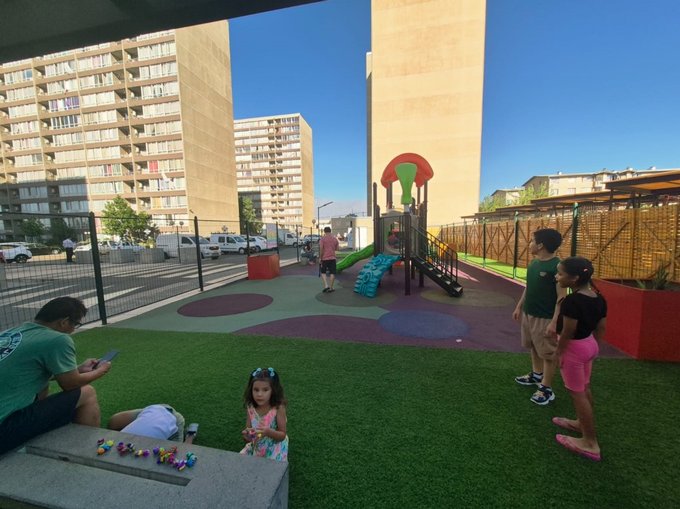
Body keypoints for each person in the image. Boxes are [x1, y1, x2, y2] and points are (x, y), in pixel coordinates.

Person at [0, 297, 110, 455]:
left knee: (43, 384)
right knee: (87, 393)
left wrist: (78, 369)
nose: (74, 330)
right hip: (4, 430)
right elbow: (70, 384)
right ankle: (86, 454)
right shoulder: (57, 339)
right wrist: (101, 370)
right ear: (64, 322)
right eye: (75, 324)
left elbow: (26, 372)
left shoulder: (10, 334)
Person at [553, 256, 606, 461]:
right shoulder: (598, 297)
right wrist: (595, 348)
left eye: (560, 274)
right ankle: (581, 423)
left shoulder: (571, 301)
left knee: (577, 393)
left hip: (574, 349)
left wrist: (559, 352)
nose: (557, 277)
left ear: (574, 278)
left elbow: (568, 331)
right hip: (589, 345)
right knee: (584, 387)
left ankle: (590, 443)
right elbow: (601, 328)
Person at [512, 228, 567, 405]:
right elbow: (528, 287)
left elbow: (561, 297)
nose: (530, 244)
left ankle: (546, 388)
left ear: (541, 245)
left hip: (545, 317)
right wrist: (519, 306)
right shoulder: (534, 264)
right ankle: (537, 374)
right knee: (534, 345)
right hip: (529, 313)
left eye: (532, 241)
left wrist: (554, 321)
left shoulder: (557, 267)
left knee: (548, 352)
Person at [240, 367, 288, 462]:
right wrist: (247, 436)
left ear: (273, 390)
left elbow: (282, 435)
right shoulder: (251, 407)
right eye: (256, 390)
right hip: (257, 445)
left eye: (265, 390)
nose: (259, 394)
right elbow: (249, 431)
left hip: (274, 446)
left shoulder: (278, 408)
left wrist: (268, 432)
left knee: (271, 468)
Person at [108, 404, 199, 444]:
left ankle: (190, 435)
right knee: (113, 421)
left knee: (180, 453)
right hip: (154, 410)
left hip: (174, 419)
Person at [319, 226, 339, 293]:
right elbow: (337, 249)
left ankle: (326, 285)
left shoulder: (322, 239)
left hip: (324, 258)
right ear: (330, 231)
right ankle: (331, 287)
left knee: (323, 272)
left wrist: (320, 258)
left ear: (324, 232)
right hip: (332, 258)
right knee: (332, 273)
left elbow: (321, 249)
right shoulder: (335, 239)